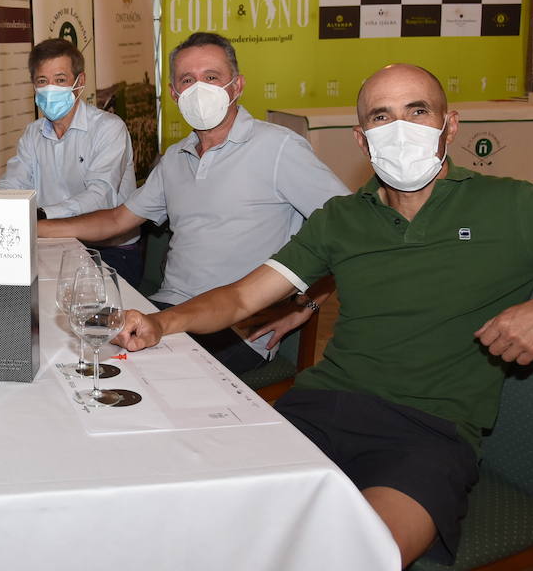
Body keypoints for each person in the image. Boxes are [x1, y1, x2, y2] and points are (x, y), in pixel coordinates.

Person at [114, 63, 533, 566]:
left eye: (418, 111)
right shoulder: (341, 219)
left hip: (427, 434)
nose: (401, 129)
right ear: (362, 141)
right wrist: (161, 323)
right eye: (381, 117)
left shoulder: (513, 207)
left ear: (449, 126)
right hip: (319, 411)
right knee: (202, 534)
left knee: (349, 565)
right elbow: (239, 299)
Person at [38, 31, 348, 374]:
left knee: (123, 375)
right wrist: (34, 228)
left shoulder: (278, 148)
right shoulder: (175, 159)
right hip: (167, 310)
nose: (200, 89)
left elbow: (349, 226)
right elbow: (116, 221)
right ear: (174, 93)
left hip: (236, 328)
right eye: (188, 80)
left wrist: (307, 303)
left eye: (212, 77)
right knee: (62, 350)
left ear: (237, 86)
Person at [0, 38, 141, 286]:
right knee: (10, 295)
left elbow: (100, 197)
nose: (50, 88)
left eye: (60, 80)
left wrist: (42, 216)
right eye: (43, 81)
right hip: (50, 242)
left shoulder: (108, 129)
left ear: (80, 82)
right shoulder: (33, 133)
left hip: (108, 251)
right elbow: (13, 183)